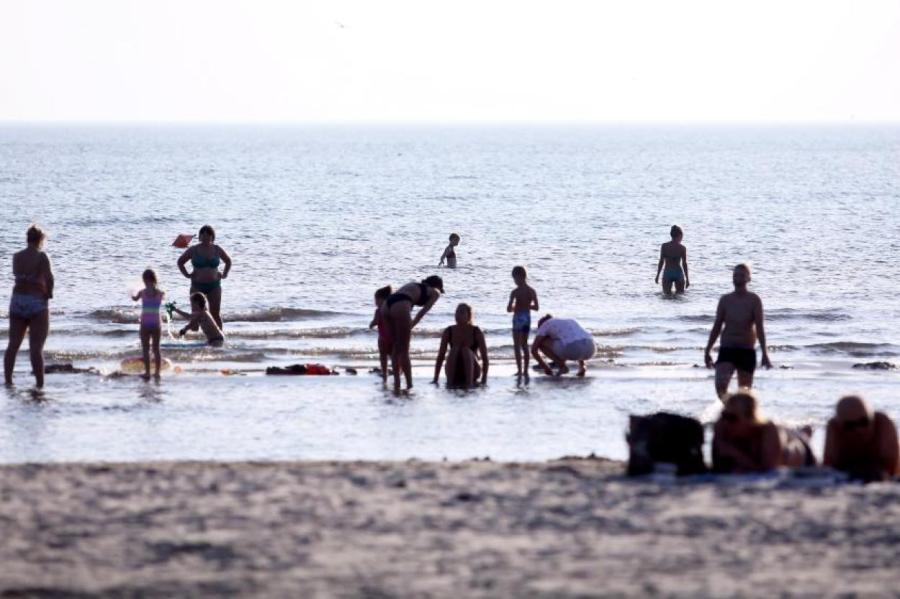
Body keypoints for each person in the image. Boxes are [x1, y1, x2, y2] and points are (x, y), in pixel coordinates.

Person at [704, 264, 772, 399]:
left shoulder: (754, 300)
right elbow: (717, 326)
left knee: (744, 394)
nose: (738, 277)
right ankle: (732, 412)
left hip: (746, 350)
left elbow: (759, 328)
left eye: (741, 275)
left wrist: (765, 353)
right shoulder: (725, 300)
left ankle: (738, 416)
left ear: (748, 278)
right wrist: (707, 350)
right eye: (735, 275)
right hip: (727, 348)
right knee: (720, 388)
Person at [712, 391, 815, 473]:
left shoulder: (769, 431)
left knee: (798, 436)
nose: (726, 422)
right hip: (778, 445)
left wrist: (734, 453)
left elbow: (769, 471)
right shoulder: (722, 427)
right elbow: (717, 467)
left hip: (801, 452)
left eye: (732, 418)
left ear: (750, 419)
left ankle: (804, 432)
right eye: (723, 415)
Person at [4, 225, 54, 388]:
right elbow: (49, 279)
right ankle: (39, 385)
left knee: (13, 345)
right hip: (36, 302)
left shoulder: (16, 257)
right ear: (40, 240)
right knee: (36, 348)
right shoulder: (42, 257)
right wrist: (49, 295)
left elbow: (20, 277)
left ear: (27, 239)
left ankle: (8, 381)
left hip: (17, 301)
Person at [383, 276, 444, 391]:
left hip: (386, 305)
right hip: (401, 304)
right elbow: (421, 313)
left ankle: (397, 383)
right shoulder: (435, 292)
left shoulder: (414, 286)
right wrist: (409, 327)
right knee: (404, 350)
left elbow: (402, 297)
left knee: (396, 347)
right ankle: (409, 384)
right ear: (438, 286)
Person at [823, 395, 899, 481]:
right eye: (850, 426)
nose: (859, 430)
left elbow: (891, 471)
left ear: (872, 418)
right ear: (840, 427)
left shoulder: (883, 425)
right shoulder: (834, 428)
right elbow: (828, 469)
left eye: (864, 422)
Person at [177, 225, 232, 330]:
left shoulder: (217, 249)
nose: (206, 237)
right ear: (200, 236)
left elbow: (228, 261)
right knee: (195, 316)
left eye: (208, 235)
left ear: (212, 237)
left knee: (215, 314)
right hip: (197, 286)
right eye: (203, 235)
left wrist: (225, 274)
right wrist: (187, 275)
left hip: (214, 286)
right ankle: (194, 342)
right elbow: (180, 262)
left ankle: (219, 337)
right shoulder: (193, 250)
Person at [432, 303, 489, 389]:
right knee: (454, 349)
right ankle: (450, 383)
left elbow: (485, 357)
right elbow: (441, 355)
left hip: (473, 371)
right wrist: (435, 378)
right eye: (457, 312)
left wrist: (484, 379)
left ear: (468, 316)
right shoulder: (449, 331)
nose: (458, 315)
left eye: (461, 312)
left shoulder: (476, 331)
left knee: (466, 350)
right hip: (454, 371)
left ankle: (469, 384)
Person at [531, 315, 596, 377]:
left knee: (540, 343)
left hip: (573, 348)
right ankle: (582, 368)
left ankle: (562, 366)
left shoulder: (544, 325)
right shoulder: (570, 320)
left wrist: (546, 368)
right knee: (570, 340)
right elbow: (577, 340)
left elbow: (533, 350)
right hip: (591, 348)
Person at [131, 269, 165, 379]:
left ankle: (147, 373)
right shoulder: (160, 293)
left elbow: (135, 299)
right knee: (156, 349)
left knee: (145, 348)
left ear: (145, 279)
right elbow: (162, 298)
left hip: (145, 322)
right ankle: (157, 373)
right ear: (155, 279)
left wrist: (132, 294)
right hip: (156, 323)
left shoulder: (142, 292)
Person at [506, 266, 539, 377]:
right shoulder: (531, 291)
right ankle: (524, 370)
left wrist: (516, 307)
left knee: (517, 345)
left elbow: (509, 309)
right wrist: (526, 306)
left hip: (517, 319)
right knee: (524, 344)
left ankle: (520, 370)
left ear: (520, 277)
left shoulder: (515, 292)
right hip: (527, 318)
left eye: (514, 278)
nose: (514, 281)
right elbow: (536, 307)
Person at [655, 225, 689, 295]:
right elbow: (684, 264)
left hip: (668, 272)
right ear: (679, 235)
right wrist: (687, 279)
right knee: (680, 296)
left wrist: (657, 275)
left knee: (666, 296)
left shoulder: (664, 246)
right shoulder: (682, 248)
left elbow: (661, 261)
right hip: (678, 272)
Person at [369, 285, 393, 383]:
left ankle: (384, 372)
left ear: (382, 299)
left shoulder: (379, 311)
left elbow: (375, 321)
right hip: (393, 337)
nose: (375, 302)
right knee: (393, 356)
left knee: (383, 356)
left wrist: (371, 324)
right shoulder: (392, 309)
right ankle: (398, 370)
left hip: (383, 338)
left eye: (376, 300)